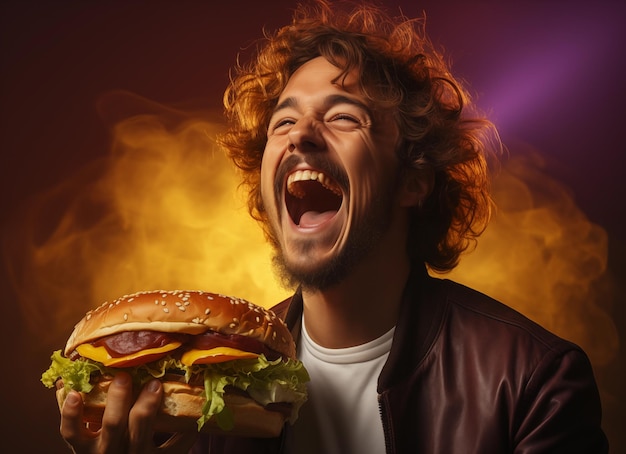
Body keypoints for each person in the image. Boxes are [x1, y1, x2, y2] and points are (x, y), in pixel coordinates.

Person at [58, 1, 608, 453]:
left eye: (344, 116)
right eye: (284, 122)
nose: (301, 136)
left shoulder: (534, 382)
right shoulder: (212, 394)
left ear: (414, 180)